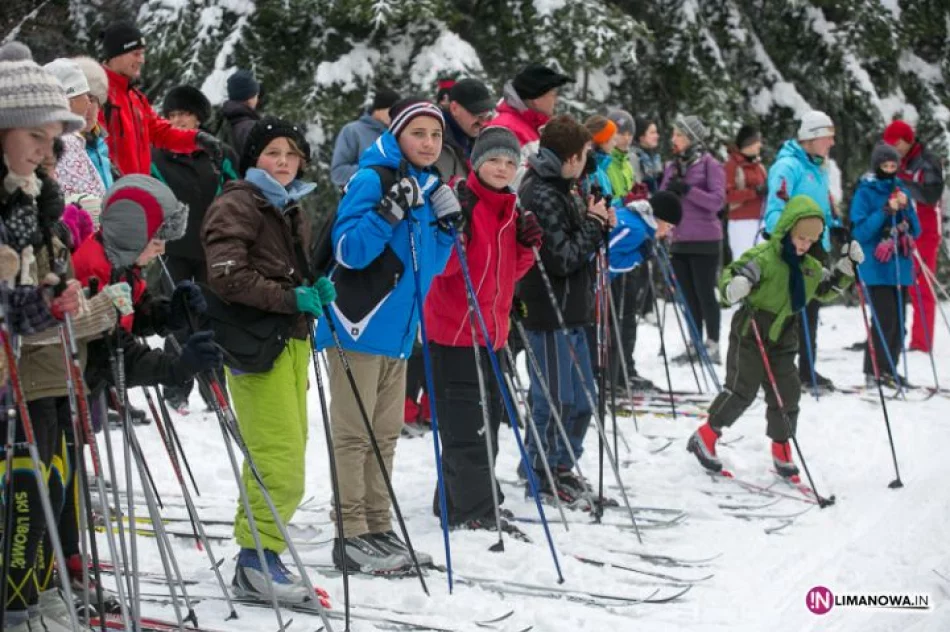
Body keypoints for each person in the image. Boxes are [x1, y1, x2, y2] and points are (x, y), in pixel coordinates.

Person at [0, 44, 123, 632]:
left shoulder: (33, 200)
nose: (52, 155)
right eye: (39, 139)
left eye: (56, 141)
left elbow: (27, 312)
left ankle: (34, 585)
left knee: (43, 477)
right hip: (20, 374)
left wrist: (54, 302)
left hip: (32, 366)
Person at [67, 175, 223, 606]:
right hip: (62, 387)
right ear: (132, 230)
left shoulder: (119, 263)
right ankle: (56, 568)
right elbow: (113, 354)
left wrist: (167, 313)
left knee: (68, 477)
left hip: (80, 388)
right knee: (61, 478)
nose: (163, 249)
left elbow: (131, 313)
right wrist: (176, 367)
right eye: (157, 238)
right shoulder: (93, 267)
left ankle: (69, 561)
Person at [315, 98, 455, 573]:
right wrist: (387, 212)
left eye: (435, 136)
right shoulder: (371, 179)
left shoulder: (425, 186)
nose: (429, 143)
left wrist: (446, 232)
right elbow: (349, 251)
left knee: (385, 435)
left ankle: (377, 526)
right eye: (419, 133)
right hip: (357, 325)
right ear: (397, 135)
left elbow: (429, 272)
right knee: (354, 437)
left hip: (399, 333)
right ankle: (350, 533)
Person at [203, 116, 335, 602]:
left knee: (286, 450)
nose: (283, 162)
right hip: (257, 344)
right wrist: (289, 299)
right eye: (273, 152)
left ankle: (261, 551)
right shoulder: (239, 203)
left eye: (291, 153)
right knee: (277, 458)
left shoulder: (285, 204)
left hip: (289, 341)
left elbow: (285, 269)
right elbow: (226, 275)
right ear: (253, 158)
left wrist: (311, 286)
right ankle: (256, 560)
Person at [688, 195, 862, 479]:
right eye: (800, 238)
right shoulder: (765, 257)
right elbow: (731, 275)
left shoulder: (811, 267)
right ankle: (706, 435)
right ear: (788, 229)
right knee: (741, 390)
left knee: (787, 392)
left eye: (810, 240)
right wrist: (735, 286)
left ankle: (781, 448)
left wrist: (846, 269)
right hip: (753, 328)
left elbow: (825, 289)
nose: (804, 244)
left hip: (785, 333)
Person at [423, 126, 536, 533]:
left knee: (485, 422)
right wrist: (454, 234)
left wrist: (526, 246)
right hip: (454, 334)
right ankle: (473, 510)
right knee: (469, 428)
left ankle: (458, 499)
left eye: (510, 162)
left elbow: (509, 274)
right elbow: (446, 269)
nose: (503, 168)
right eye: (494, 160)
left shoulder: (509, 207)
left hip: (491, 334)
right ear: (477, 162)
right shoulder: (464, 203)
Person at [516, 114, 613, 506]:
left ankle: (560, 465)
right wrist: (593, 223)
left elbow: (581, 243)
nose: (588, 161)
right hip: (547, 309)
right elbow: (563, 256)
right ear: (570, 156)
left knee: (583, 398)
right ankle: (540, 470)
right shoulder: (540, 192)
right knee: (555, 399)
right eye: (585, 153)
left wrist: (599, 222)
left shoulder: (566, 187)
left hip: (573, 307)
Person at [151, 84, 237, 412]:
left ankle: (215, 390)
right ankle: (176, 388)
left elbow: (238, 190)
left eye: (184, 114)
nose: (178, 121)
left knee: (211, 320)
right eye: (171, 115)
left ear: (198, 118)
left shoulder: (220, 153)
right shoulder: (156, 155)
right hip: (173, 249)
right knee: (179, 322)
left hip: (212, 249)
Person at [763, 110, 840, 392]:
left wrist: (835, 226)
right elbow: (775, 209)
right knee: (788, 313)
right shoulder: (788, 166)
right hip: (793, 248)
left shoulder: (818, 167)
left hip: (816, 246)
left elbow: (821, 206)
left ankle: (807, 370)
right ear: (812, 137)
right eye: (827, 138)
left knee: (811, 310)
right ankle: (777, 371)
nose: (831, 143)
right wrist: (783, 241)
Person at [98, 20, 221, 176]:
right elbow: (90, 145)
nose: (141, 60)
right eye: (136, 54)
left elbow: (159, 132)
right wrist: (107, 172)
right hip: (109, 193)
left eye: (142, 54)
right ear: (115, 56)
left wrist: (197, 138)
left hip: (136, 190)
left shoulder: (135, 97)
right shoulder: (98, 95)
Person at [850, 144, 920, 387]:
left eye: (893, 166)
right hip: (876, 266)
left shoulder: (901, 188)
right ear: (876, 166)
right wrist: (884, 210)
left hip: (899, 265)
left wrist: (906, 210)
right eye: (885, 166)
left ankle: (890, 369)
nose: (889, 171)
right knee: (884, 320)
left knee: (900, 324)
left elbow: (916, 229)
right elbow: (860, 231)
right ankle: (874, 371)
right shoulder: (865, 192)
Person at [661, 114, 726, 364]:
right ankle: (694, 340)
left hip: (705, 239)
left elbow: (717, 202)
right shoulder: (673, 166)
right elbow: (663, 198)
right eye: (674, 134)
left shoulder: (710, 165)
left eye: (679, 135)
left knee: (704, 292)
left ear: (692, 138)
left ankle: (713, 343)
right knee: (686, 295)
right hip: (679, 238)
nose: (674, 139)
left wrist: (688, 190)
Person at [881, 120, 945, 353]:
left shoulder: (928, 161)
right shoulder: (892, 161)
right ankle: (889, 337)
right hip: (898, 231)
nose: (892, 148)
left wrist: (901, 185)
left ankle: (921, 342)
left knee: (920, 287)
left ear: (908, 140)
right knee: (891, 285)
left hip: (924, 232)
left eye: (896, 144)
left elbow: (931, 194)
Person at [608, 192, 683, 391]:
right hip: (599, 284)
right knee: (615, 325)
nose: (667, 232)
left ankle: (619, 373)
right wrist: (639, 254)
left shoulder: (636, 221)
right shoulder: (636, 229)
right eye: (668, 227)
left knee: (621, 323)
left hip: (605, 283)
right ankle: (611, 376)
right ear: (658, 219)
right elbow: (607, 259)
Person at [489, 63, 572, 185]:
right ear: (536, 99)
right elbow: (510, 181)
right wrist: (560, 173)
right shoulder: (505, 128)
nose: (557, 101)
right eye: (553, 95)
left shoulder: (534, 126)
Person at [43, 59, 107, 201]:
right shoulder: (67, 142)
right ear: (69, 101)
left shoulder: (52, 136)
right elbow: (90, 201)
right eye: (85, 95)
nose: (88, 102)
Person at [329, 86, 402, 187]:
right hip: (361, 199)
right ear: (379, 110)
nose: (397, 116)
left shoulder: (398, 134)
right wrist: (376, 170)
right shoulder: (353, 131)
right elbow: (338, 173)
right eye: (393, 111)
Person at [434, 78, 495, 183]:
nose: (482, 122)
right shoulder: (437, 144)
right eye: (477, 115)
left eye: (487, 115)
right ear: (454, 108)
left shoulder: (471, 136)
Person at [724, 124, 767, 261]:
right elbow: (726, 196)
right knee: (743, 263)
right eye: (757, 141)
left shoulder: (759, 166)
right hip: (741, 222)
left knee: (764, 264)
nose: (760, 145)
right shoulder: (732, 166)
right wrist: (754, 192)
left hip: (761, 221)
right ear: (748, 143)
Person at [73, 56, 113, 193]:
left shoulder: (100, 144)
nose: (88, 107)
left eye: (93, 99)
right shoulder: (61, 146)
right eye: (81, 97)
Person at [219, 69, 261, 156]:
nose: (258, 100)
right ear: (250, 98)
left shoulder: (220, 120)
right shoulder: (252, 128)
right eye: (256, 95)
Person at [634, 116, 663, 195]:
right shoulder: (634, 157)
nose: (657, 136)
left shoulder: (655, 157)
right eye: (652, 133)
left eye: (656, 132)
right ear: (642, 137)